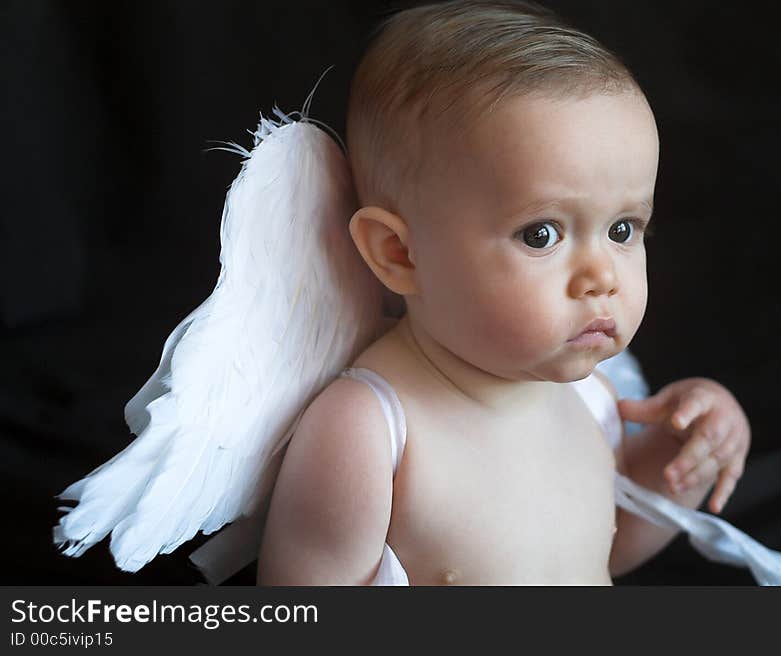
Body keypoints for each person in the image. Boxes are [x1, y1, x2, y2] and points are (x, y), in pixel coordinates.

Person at [255, 0, 752, 585]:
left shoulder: (590, 398)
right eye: (541, 234)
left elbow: (602, 553)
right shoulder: (368, 430)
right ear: (399, 253)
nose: (603, 276)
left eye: (623, 229)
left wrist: (682, 460)